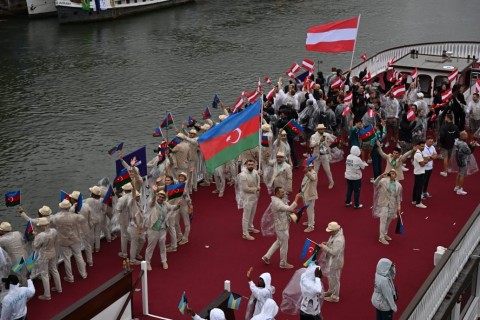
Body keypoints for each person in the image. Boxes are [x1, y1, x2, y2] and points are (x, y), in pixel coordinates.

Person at [262, 188, 302, 269]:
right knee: (284, 245)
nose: (284, 193)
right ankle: (283, 263)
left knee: (278, 242)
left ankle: (266, 256)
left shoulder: (279, 199)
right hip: (281, 227)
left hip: (281, 225)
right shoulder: (277, 203)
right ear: (277, 193)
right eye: (282, 192)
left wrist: (295, 213)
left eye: (284, 192)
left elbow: (287, 208)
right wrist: (296, 199)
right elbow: (289, 209)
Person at [50, 199, 88, 283]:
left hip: (63, 240)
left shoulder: (56, 218)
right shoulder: (75, 216)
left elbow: (51, 223)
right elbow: (83, 219)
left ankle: (70, 277)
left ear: (60, 207)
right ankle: (83, 274)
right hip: (74, 238)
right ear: (69, 207)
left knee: (66, 259)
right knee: (78, 256)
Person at [145, 189, 182, 271]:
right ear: (157, 196)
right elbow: (152, 200)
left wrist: (178, 205)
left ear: (165, 198)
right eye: (159, 196)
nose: (161, 198)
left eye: (162, 197)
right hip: (153, 229)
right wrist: (154, 192)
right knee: (150, 247)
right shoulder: (152, 203)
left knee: (162, 246)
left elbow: (172, 207)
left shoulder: (166, 204)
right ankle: (147, 263)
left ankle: (164, 261)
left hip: (162, 229)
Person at [33, 217, 62, 301]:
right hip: (52, 252)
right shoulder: (54, 231)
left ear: (41, 226)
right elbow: (56, 240)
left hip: (44, 255)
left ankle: (47, 295)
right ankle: (59, 288)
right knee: (54, 270)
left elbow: (35, 246)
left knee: (44, 274)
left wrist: (35, 236)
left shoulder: (41, 235)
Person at [373, 170, 402, 245]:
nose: (392, 174)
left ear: (395, 175)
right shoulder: (383, 181)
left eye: (394, 173)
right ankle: (381, 237)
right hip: (384, 203)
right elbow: (375, 184)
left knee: (389, 220)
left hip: (393, 204)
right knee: (383, 220)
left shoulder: (398, 185)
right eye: (391, 173)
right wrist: (380, 176)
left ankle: (385, 234)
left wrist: (398, 206)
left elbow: (398, 197)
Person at [319, 221, 345, 303]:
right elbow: (332, 244)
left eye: (330, 231)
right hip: (331, 260)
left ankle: (335, 297)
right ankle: (330, 291)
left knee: (335, 280)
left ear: (334, 230)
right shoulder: (334, 235)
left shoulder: (339, 240)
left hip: (335, 262)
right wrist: (326, 244)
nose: (329, 232)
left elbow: (334, 252)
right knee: (330, 277)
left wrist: (324, 247)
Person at [239, 160, 261, 240]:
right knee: (246, 216)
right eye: (249, 164)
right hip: (247, 198)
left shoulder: (255, 172)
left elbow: (258, 181)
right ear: (246, 165)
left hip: (255, 197)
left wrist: (259, 177)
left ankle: (250, 227)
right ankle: (245, 233)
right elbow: (245, 188)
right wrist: (256, 189)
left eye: (252, 164)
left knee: (252, 214)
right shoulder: (243, 175)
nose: (251, 166)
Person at [310, 124, 335, 189]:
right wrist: (319, 141)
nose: (322, 130)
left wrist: (329, 143)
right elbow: (312, 145)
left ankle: (331, 182)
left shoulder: (326, 135)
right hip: (316, 156)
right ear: (317, 129)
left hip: (324, 155)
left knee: (327, 170)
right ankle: (314, 185)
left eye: (323, 129)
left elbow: (333, 141)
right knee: (315, 171)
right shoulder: (313, 136)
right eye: (320, 129)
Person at [454, 131, 475, 195]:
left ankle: (457, 186)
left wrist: (470, 145)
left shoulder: (457, 141)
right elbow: (469, 152)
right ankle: (460, 189)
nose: (467, 136)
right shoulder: (464, 144)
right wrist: (473, 146)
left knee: (459, 173)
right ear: (463, 136)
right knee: (462, 174)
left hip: (458, 159)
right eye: (466, 135)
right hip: (463, 160)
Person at [300, 158, 318, 233]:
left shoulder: (313, 173)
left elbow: (312, 178)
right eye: (307, 167)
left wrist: (307, 172)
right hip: (305, 194)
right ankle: (310, 221)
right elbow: (304, 183)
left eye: (308, 167)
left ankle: (311, 226)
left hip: (310, 195)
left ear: (312, 167)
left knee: (310, 211)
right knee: (308, 210)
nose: (306, 168)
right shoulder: (307, 173)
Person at [412, 140, 430, 208]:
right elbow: (422, 164)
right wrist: (426, 160)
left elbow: (423, 161)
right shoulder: (418, 154)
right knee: (419, 188)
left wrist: (425, 160)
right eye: (422, 146)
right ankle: (418, 202)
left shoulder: (419, 153)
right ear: (418, 146)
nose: (423, 147)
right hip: (419, 172)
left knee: (416, 187)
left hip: (418, 172)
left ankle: (414, 200)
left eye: (423, 146)